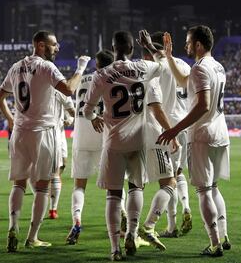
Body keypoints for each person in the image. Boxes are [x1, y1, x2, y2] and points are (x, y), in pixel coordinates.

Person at [0, 30, 90, 252]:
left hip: (19, 132)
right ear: (40, 45)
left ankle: (13, 227)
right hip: (44, 132)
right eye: (53, 44)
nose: (56, 48)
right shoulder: (46, 67)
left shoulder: (16, 66)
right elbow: (68, 89)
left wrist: (11, 120)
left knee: (18, 183)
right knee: (41, 187)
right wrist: (81, 69)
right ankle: (32, 237)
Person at [83, 31, 165, 261]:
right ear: (132, 49)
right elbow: (162, 64)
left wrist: (95, 117)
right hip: (138, 139)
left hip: (114, 141)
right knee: (136, 187)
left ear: (113, 47)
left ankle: (114, 249)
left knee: (113, 195)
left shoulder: (102, 74)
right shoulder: (143, 67)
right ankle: (132, 232)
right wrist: (149, 46)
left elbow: (87, 110)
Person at [157, 25, 231, 257]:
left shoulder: (199, 69)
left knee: (203, 190)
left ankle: (214, 243)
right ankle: (224, 235)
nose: (186, 46)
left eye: (188, 42)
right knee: (214, 187)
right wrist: (169, 57)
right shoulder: (217, 67)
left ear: (198, 44)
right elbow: (183, 82)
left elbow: (203, 105)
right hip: (220, 133)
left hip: (202, 136)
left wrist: (175, 129)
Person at [141, 31, 193, 238]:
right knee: (179, 174)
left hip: (166, 125)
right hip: (185, 123)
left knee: (168, 177)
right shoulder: (184, 65)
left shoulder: (155, 67)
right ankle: (186, 207)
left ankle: (170, 226)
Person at [66, 50, 114, 244]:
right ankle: (124, 218)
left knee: (79, 185)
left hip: (81, 136)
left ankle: (77, 220)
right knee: (114, 186)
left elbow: (71, 94)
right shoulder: (114, 78)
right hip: (104, 135)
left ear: (96, 65)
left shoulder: (83, 79)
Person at [136, 42, 179, 251]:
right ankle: (150, 225)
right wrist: (171, 133)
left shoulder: (130, 72)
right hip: (155, 134)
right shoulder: (158, 72)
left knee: (136, 186)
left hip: (131, 136)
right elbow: (157, 109)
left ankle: (130, 235)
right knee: (170, 182)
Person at [49, 91, 75, 219]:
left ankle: (53, 185)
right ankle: (53, 209)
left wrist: (70, 119)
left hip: (61, 133)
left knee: (63, 164)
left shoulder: (62, 91)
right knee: (54, 171)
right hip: (50, 133)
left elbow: (71, 111)